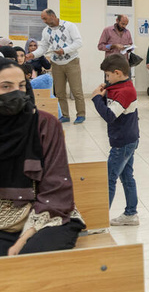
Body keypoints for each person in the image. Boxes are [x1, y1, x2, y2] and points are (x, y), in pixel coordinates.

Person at [0, 57, 85, 258]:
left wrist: (23, 239)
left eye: (21, 86)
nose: (16, 92)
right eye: (5, 86)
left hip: (45, 217)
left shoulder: (45, 125)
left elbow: (55, 191)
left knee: (29, 259)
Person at [91, 55, 140, 226]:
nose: (106, 79)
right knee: (126, 177)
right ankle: (131, 214)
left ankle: (99, 221)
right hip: (127, 139)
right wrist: (105, 93)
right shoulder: (119, 86)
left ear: (118, 73)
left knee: (109, 179)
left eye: (107, 75)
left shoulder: (125, 91)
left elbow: (110, 115)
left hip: (123, 143)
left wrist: (96, 98)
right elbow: (113, 105)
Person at [26, 8, 87, 124]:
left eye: (45, 18)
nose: (43, 21)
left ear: (52, 16)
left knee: (76, 90)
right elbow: (43, 47)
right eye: (42, 19)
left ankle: (81, 114)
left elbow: (78, 42)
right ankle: (65, 115)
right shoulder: (46, 31)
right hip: (56, 64)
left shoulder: (69, 26)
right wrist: (32, 54)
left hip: (71, 61)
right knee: (59, 92)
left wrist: (64, 50)